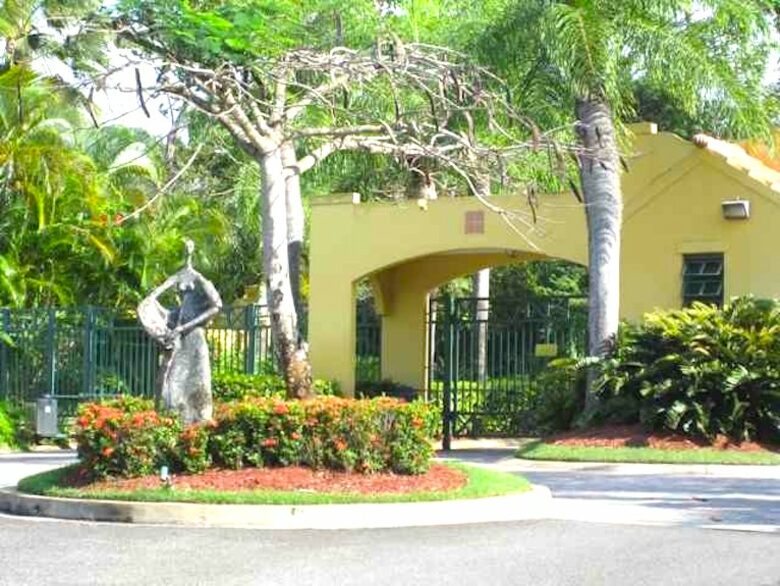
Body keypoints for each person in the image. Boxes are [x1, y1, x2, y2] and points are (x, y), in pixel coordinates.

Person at [137, 239, 222, 423]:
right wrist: (164, 318)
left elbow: (216, 305)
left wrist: (186, 326)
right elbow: (151, 298)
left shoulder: (199, 279)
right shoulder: (177, 277)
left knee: (198, 382)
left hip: (194, 337)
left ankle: (198, 423)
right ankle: (173, 422)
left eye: (189, 248)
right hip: (178, 337)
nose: (187, 251)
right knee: (171, 381)